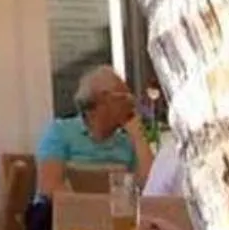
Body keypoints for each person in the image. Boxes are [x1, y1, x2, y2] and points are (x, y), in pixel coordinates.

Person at [38, 66, 153, 197]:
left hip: (114, 213)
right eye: (124, 97)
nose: (131, 103)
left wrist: (138, 137)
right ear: (103, 99)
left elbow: (150, 187)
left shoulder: (127, 142)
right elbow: (49, 187)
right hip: (67, 213)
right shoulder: (60, 132)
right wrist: (91, 208)